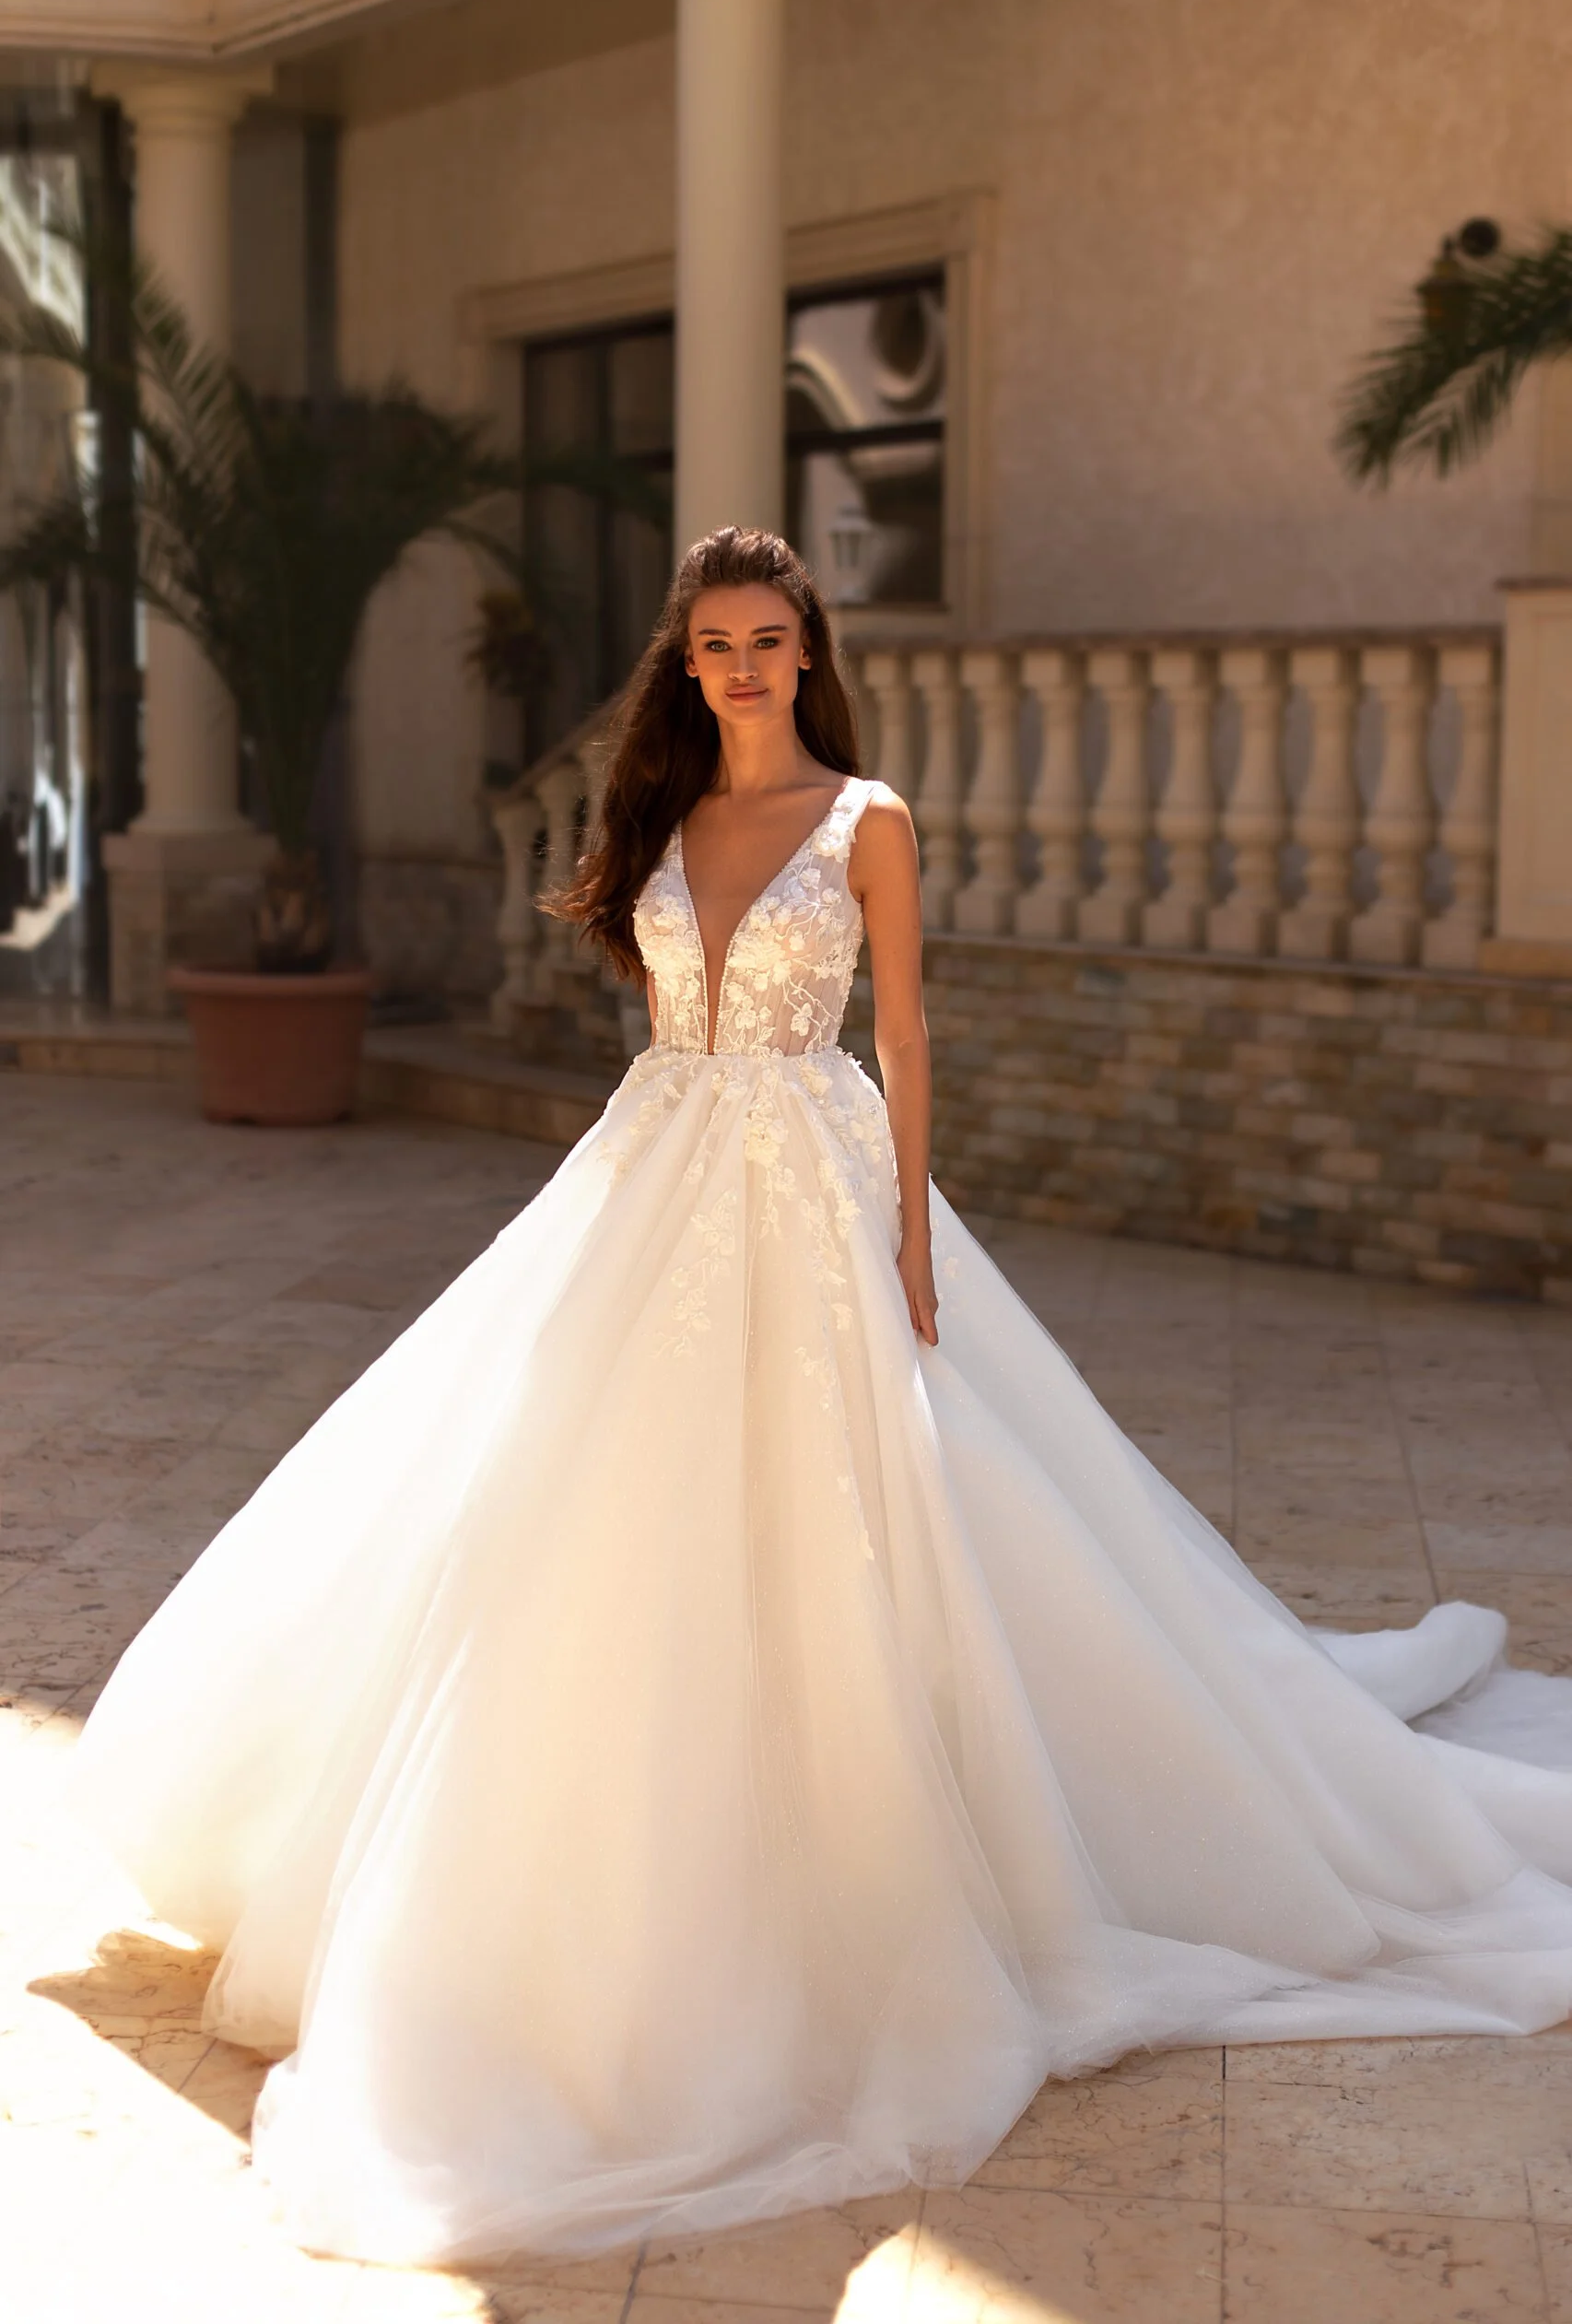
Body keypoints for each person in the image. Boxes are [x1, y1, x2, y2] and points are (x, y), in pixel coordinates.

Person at [71, 527, 1572, 2267]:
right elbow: (656, 1012)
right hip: (651, 1169)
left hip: (814, 1176)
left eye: (766, 639)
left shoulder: (870, 821)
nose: (738, 665)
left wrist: (916, 1239)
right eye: (710, 642)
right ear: (686, 661)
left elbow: (910, 1035)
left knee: (863, 1518)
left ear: (808, 651)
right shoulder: (656, 817)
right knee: (558, 1501)